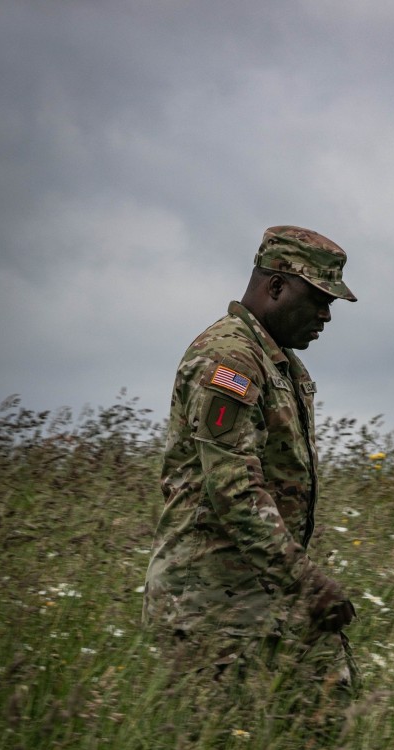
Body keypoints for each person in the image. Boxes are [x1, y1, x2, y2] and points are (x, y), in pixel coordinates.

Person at [142, 225, 357, 687]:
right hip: (209, 608)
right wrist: (306, 581)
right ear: (276, 285)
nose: (326, 315)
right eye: (318, 299)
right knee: (223, 737)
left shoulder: (282, 364)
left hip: (266, 596)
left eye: (331, 303)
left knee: (331, 710)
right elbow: (234, 488)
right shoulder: (230, 359)